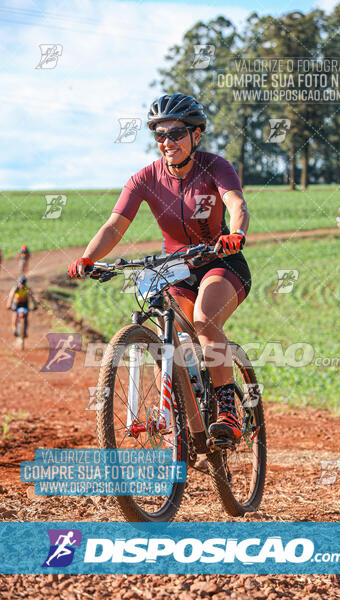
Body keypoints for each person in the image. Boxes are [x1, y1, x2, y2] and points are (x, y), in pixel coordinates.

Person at [68, 93, 251, 442]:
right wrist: (88, 258)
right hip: (176, 268)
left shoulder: (215, 167)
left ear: (196, 135)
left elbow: (236, 203)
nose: (168, 142)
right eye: (160, 135)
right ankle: (190, 420)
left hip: (221, 260)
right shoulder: (144, 178)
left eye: (177, 133)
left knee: (204, 321)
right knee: (179, 342)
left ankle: (229, 411)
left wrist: (237, 232)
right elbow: (114, 226)